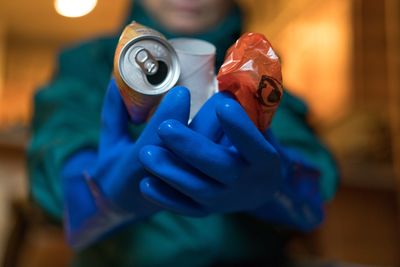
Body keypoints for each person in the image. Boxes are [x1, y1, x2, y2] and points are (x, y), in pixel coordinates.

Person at [27, 0, 338, 266]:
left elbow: (314, 191)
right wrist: (96, 190)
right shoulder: (87, 65)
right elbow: (58, 143)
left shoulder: (256, 71)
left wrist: (281, 181)